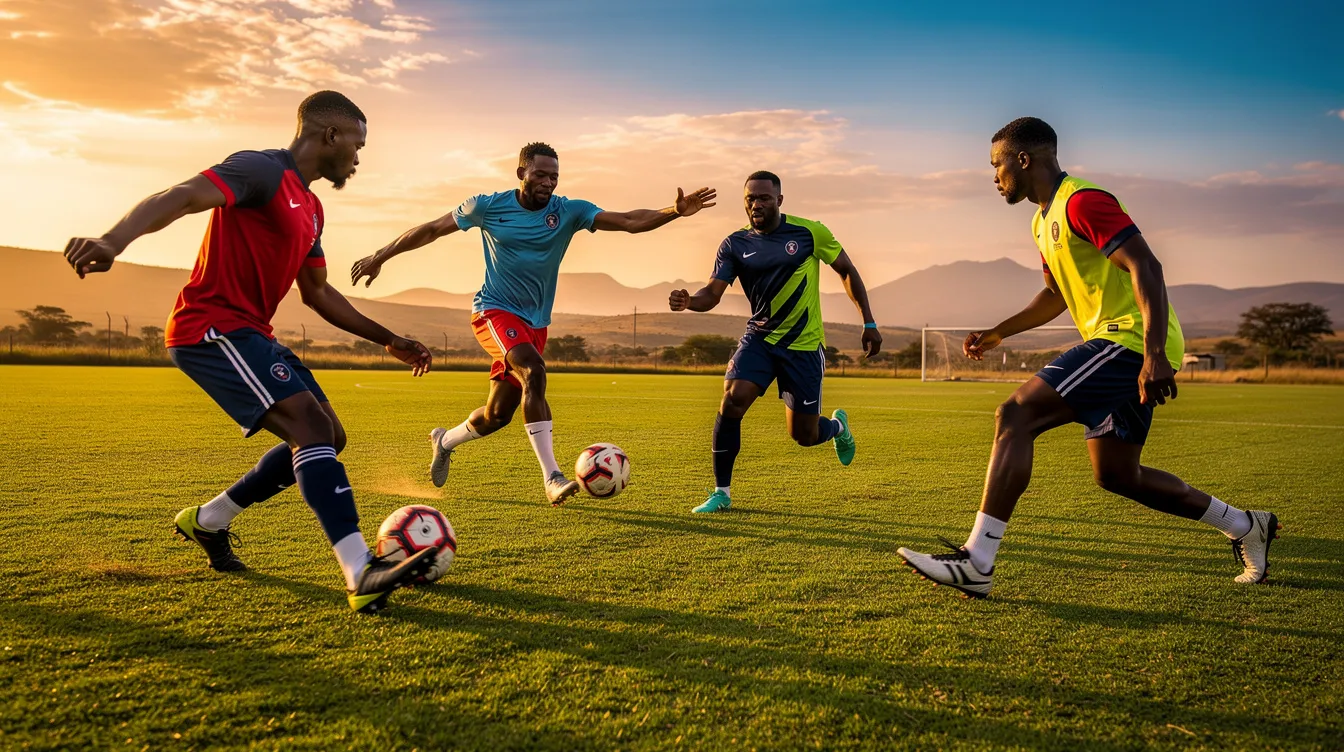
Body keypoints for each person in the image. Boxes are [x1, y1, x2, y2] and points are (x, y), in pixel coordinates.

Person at [63, 91, 440, 613]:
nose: (359, 156)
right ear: (330, 135)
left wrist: (389, 338)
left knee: (329, 436)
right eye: (357, 143)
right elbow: (182, 195)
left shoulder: (311, 207)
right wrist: (112, 240)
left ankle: (208, 520)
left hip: (251, 332)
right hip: (209, 327)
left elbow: (319, 293)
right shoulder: (260, 170)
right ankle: (360, 571)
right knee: (309, 428)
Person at [897, 117, 1280, 598]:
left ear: (1023, 159)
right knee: (1118, 475)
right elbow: (1054, 295)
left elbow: (1147, 265)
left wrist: (1154, 354)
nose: (993, 177)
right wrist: (999, 332)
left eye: (996, 165)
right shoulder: (1042, 221)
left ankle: (978, 560)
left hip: (1130, 340)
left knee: (1015, 415)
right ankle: (1246, 525)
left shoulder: (1082, 201)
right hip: (1125, 343)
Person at [350, 142, 716, 504]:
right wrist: (381, 255)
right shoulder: (486, 206)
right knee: (534, 370)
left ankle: (444, 441)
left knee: (497, 416)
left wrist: (675, 211)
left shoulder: (569, 211)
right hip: (493, 311)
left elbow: (629, 221)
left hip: (535, 324)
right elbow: (431, 229)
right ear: (521, 173)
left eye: (554, 176)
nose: (548, 182)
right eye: (540, 174)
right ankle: (552, 477)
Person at [669, 170, 882, 513]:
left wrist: (868, 321)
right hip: (760, 339)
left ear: (779, 200)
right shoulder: (734, 244)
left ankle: (838, 427)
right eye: (750, 198)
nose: (756, 204)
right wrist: (689, 301)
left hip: (803, 345)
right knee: (732, 400)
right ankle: (721, 493)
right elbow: (712, 293)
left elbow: (846, 270)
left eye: (764, 197)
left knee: (804, 435)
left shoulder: (810, 232)